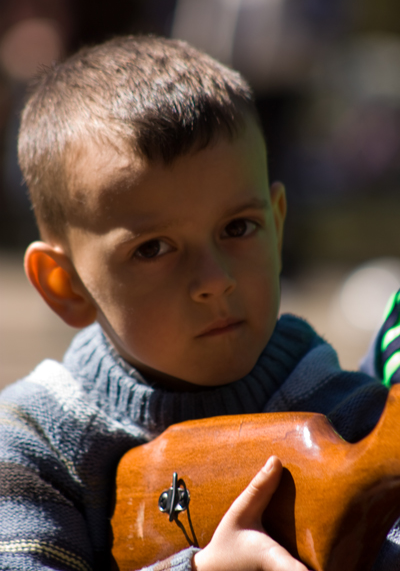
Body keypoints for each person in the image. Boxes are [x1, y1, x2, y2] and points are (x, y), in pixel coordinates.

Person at [0, 35, 398, 571]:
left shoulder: (343, 408)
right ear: (65, 284)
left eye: (238, 228)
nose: (215, 280)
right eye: (153, 249)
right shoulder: (33, 443)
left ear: (278, 227)